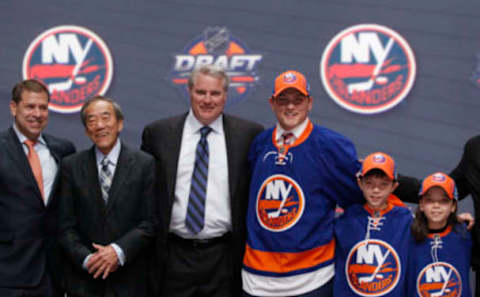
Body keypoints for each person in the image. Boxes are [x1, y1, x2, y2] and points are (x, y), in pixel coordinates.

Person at [141, 64, 263, 297]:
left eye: (215, 93)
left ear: (226, 96)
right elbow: (144, 196)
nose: (208, 100)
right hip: (173, 256)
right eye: (201, 92)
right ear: (189, 92)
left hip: (225, 258)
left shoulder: (249, 135)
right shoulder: (158, 133)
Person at [242, 70, 363, 297]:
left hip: (311, 280)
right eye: (283, 100)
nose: (290, 107)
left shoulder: (331, 146)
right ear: (272, 103)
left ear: (309, 103)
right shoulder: (259, 144)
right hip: (256, 280)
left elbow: (359, 198)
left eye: (298, 100)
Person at [59, 96, 155, 297]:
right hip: (84, 281)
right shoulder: (71, 166)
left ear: (120, 123)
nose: (100, 125)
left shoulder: (144, 164)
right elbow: (65, 225)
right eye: (92, 121)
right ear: (86, 130)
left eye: (105, 117)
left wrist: (117, 252)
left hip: (130, 279)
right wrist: (88, 260)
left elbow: (150, 222)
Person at [0, 79, 75, 297]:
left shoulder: (63, 150)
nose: (37, 113)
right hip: (7, 273)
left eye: (43, 107)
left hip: (51, 274)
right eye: (30, 106)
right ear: (14, 108)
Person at [333, 152, 412, 297]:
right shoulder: (345, 220)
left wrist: (455, 220)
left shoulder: (406, 221)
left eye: (383, 184)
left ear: (394, 186)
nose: (376, 190)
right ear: (359, 183)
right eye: (369, 183)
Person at [406, 172, 472, 297]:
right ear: (421, 204)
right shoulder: (408, 236)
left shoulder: (465, 234)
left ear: (453, 206)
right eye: (430, 200)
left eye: (443, 201)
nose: (436, 206)